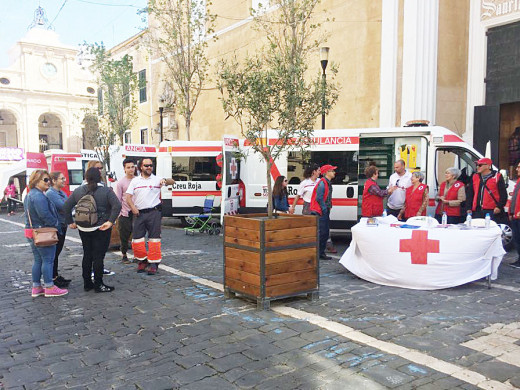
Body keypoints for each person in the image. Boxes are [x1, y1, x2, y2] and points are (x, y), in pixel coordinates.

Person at [64, 168, 121, 293]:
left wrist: (70, 222)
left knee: (87, 254)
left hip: (83, 228)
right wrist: (110, 221)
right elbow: (117, 205)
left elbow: (66, 206)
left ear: (85, 177)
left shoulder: (78, 191)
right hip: (101, 227)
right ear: (100, 177)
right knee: (98, 256)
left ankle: (87, 283)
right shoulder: (106, 191)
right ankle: (99, 284)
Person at [125, 158, 174, 275]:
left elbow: (173, 181)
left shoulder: (157, 179)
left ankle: (154, 264)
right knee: (137, 240)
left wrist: (165, 180)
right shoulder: (135, 181)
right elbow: (127, 197)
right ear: (141, 167)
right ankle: (142, 261)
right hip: (139, 214)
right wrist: (133, 208)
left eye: (151, 165)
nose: (149, 167)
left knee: (154, 240)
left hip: (154, 213)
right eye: (146, 165)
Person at [24, 170, 68, 298]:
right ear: (36, 180)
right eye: (45, 180)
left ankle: (37, 287)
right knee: (48, 260)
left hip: (33, 231)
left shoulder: (30, 194)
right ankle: (49, 286)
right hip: (43, 231)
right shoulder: (38, 196)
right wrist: (56, 224)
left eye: (48, 179)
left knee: (38, 260)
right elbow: (45, 215)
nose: (48, 182)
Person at [46, 171, 71, 288]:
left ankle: (55, 275)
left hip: (62, 224)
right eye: (62, 178)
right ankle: (53, 277)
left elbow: (68, 204)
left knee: (57, 252)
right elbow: (65, 206)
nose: (64, 180)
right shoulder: (51, 193)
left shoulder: (60, 192)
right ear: (54, 181)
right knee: (54, 253)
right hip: (57, 227)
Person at [466, 157, 507, 222]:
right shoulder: (475, 176)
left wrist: (499, 207)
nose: (477, 167)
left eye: (480, 165)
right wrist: (468, 207)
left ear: (488, 166)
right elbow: (470, 193)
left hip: (492, 210)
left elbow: (503, 194)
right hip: (477, 210)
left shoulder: (497, 177)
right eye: (477, 165)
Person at [310, 164, 336, 260]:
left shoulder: (326, 182)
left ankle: (320, 253)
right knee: (323, 232)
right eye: (332, 171)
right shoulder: (323, 183)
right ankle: (319, 253)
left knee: (324, 233)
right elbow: (319, 198)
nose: (334, 172)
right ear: (326, 172)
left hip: (322, 210)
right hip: (320, 211)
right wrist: (324, 208)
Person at [114, 158, 136, 264]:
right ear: (124, 169)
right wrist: (118, 215)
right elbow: (117, 199)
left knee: (137, 234)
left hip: (137, 212)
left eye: (132, 167)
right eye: (128, 167)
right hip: (125, 212)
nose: (131, 169)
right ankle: (124, 254)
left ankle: (138, 255)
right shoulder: (120, 183)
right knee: (124, 235)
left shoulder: (138, 180)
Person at [508, 161, 520, 269]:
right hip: (516, 215)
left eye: (519, 167)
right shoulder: (519, 181)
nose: (517, 169)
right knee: (517, 238)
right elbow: (515, 199)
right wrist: (511, 212)